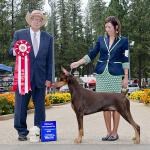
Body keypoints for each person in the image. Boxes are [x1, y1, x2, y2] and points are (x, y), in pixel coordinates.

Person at [70, 16, 129, 141]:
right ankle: (108, 132)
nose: (106, 29)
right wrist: (78, 63)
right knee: (104, 105)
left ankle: (115, 132)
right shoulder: (101, 40)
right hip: (102, 75)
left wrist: (126, 77)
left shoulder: (123, 41)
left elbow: (125, 59)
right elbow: (91, 54)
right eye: (105, 26)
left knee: (116, 105)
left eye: (109, 27)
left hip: (115, 75)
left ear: (116, 27)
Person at [9, 10, 53, 141]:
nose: (37, 21)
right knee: (21, 106)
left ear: (42, 22)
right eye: (34, 19)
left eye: (40, 20)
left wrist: (49, 78)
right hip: (23, 77)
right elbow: (10, 50)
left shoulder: (48, 37)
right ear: (30, 20)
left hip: (41, 78)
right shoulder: (19, 34)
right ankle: (21, 132)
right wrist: (16, 51)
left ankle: (38, 131)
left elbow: (49, 60)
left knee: (40, 107)